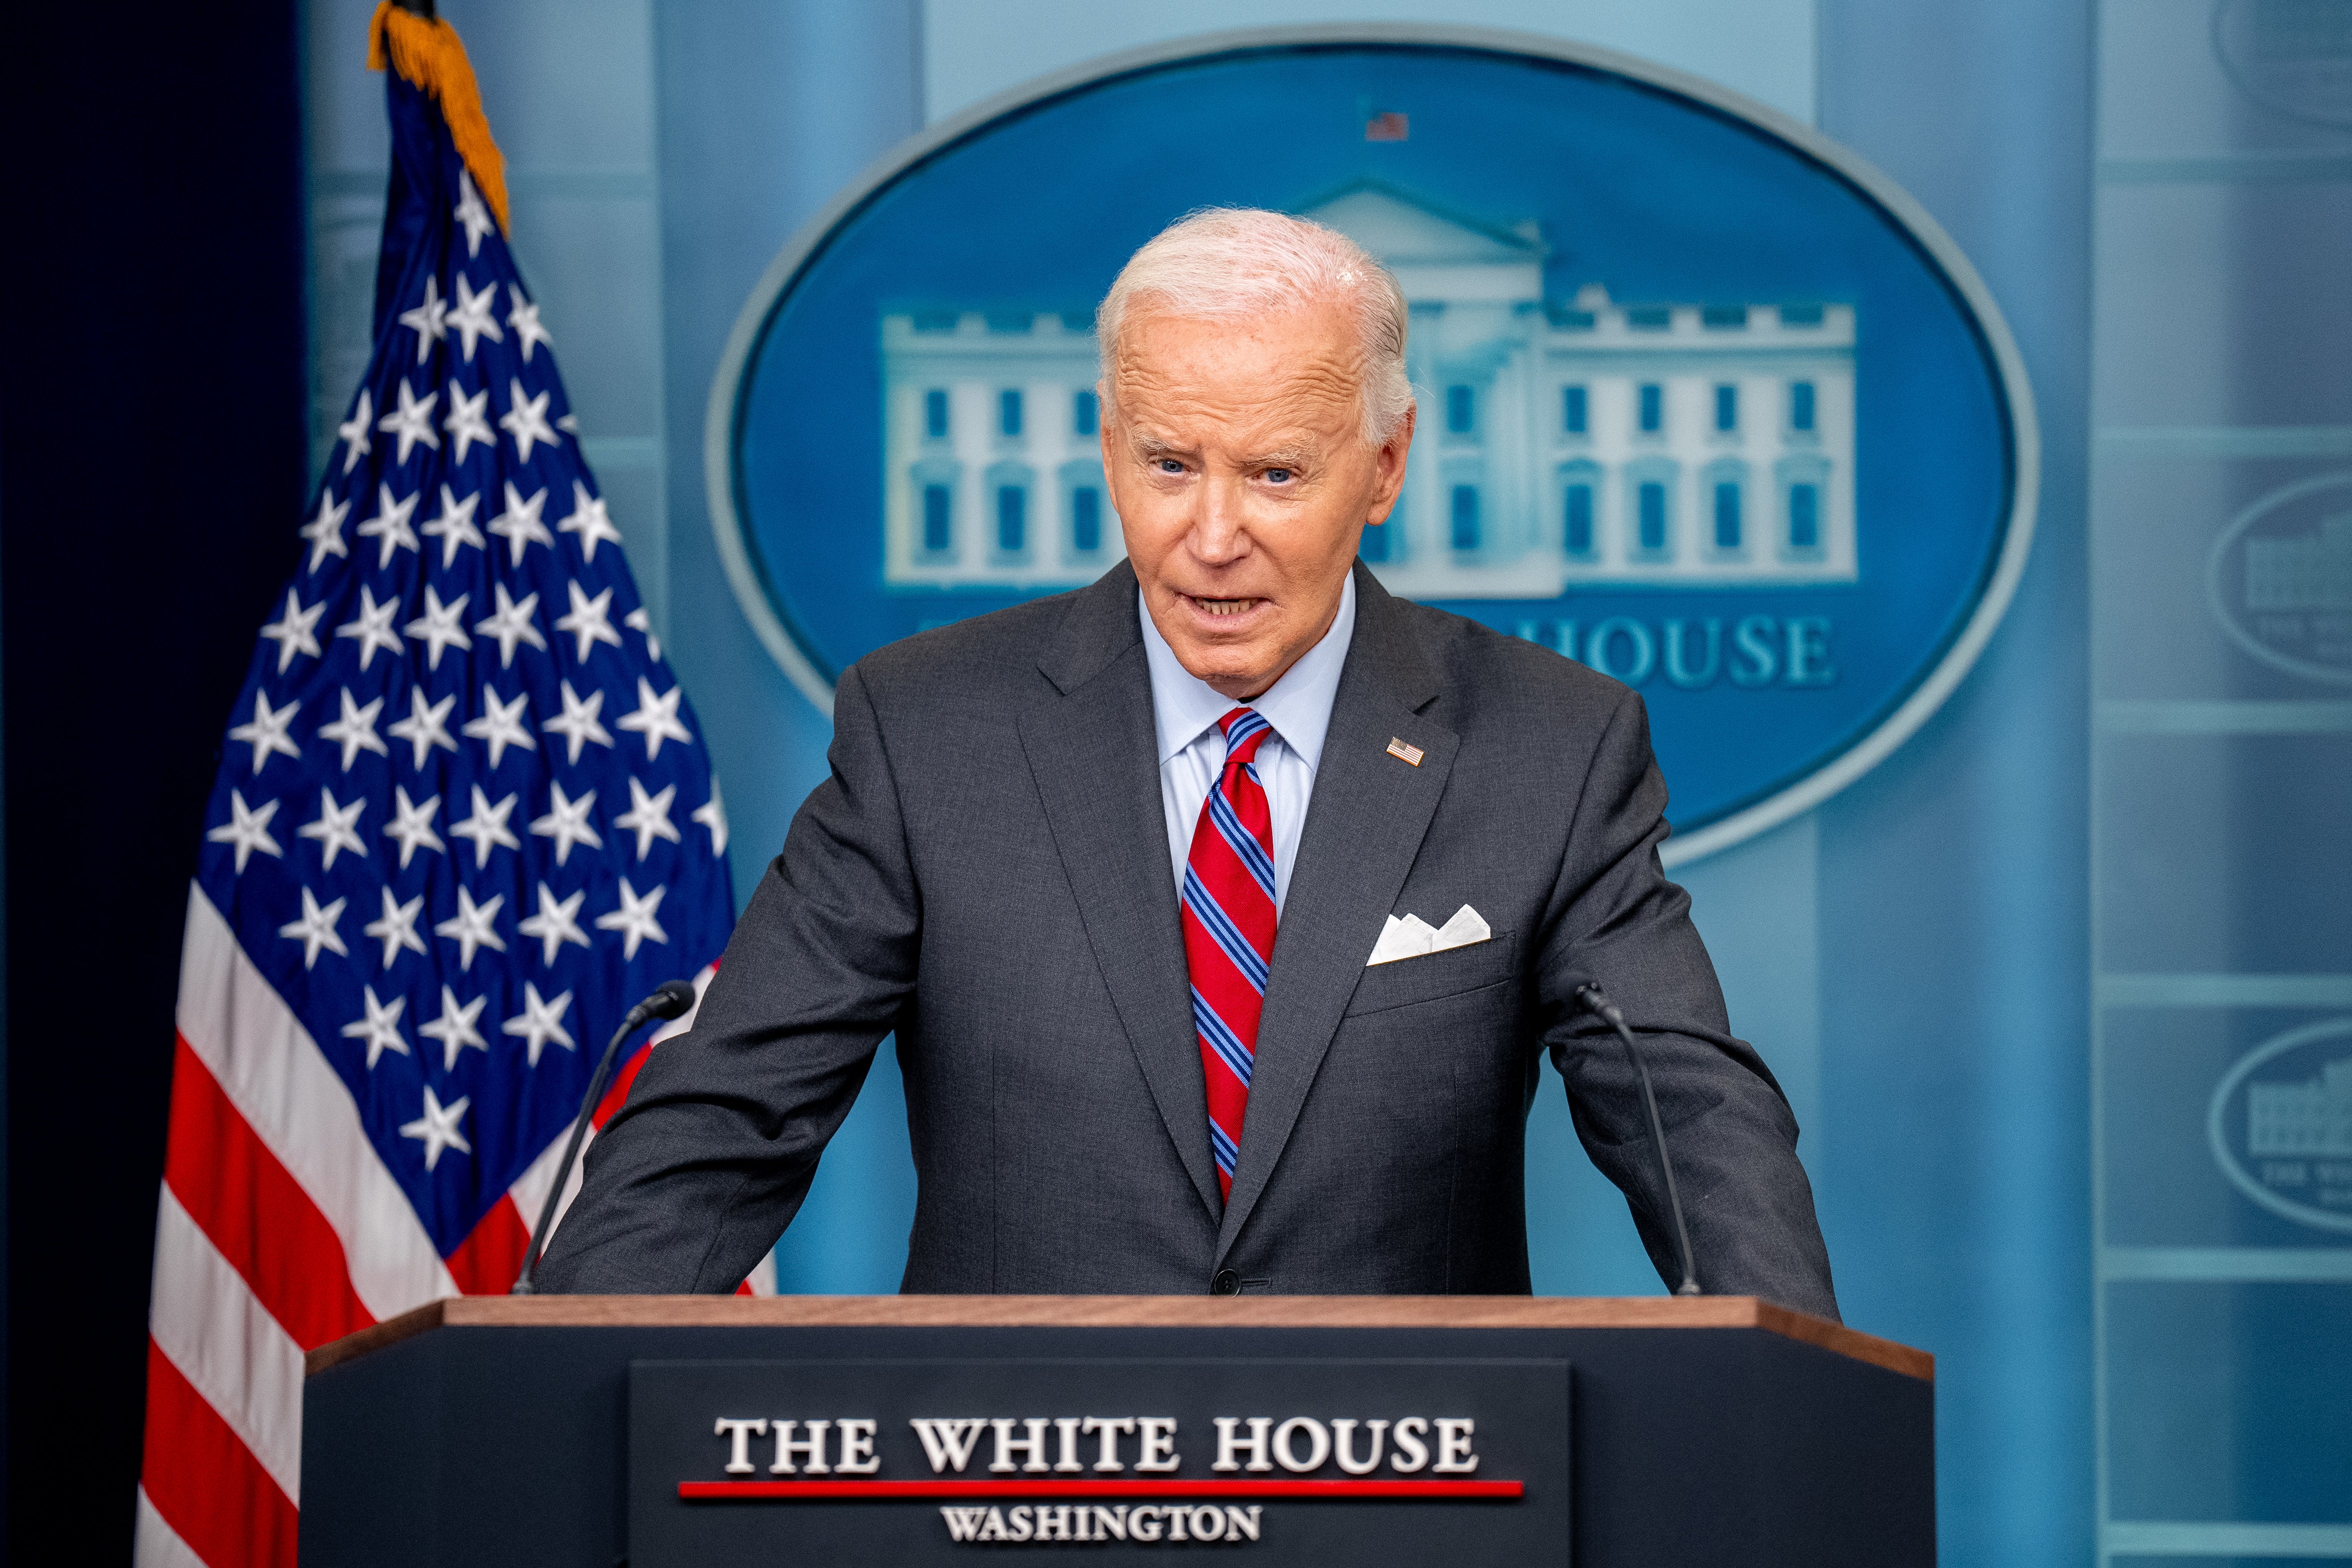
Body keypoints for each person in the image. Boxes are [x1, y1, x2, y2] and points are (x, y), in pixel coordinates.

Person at [537, 208, 1838, 1317]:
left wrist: (1796, 1410)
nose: (1211, 536)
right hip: (1011, 1499)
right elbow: (722, 1128)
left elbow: (1693, 1118)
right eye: (1168, 464)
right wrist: (545, 1391)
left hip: (1417, 1496)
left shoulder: (1552, 747)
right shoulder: (928, 733)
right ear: (1108, 447)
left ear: (1382, 465)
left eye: (1273, 473)